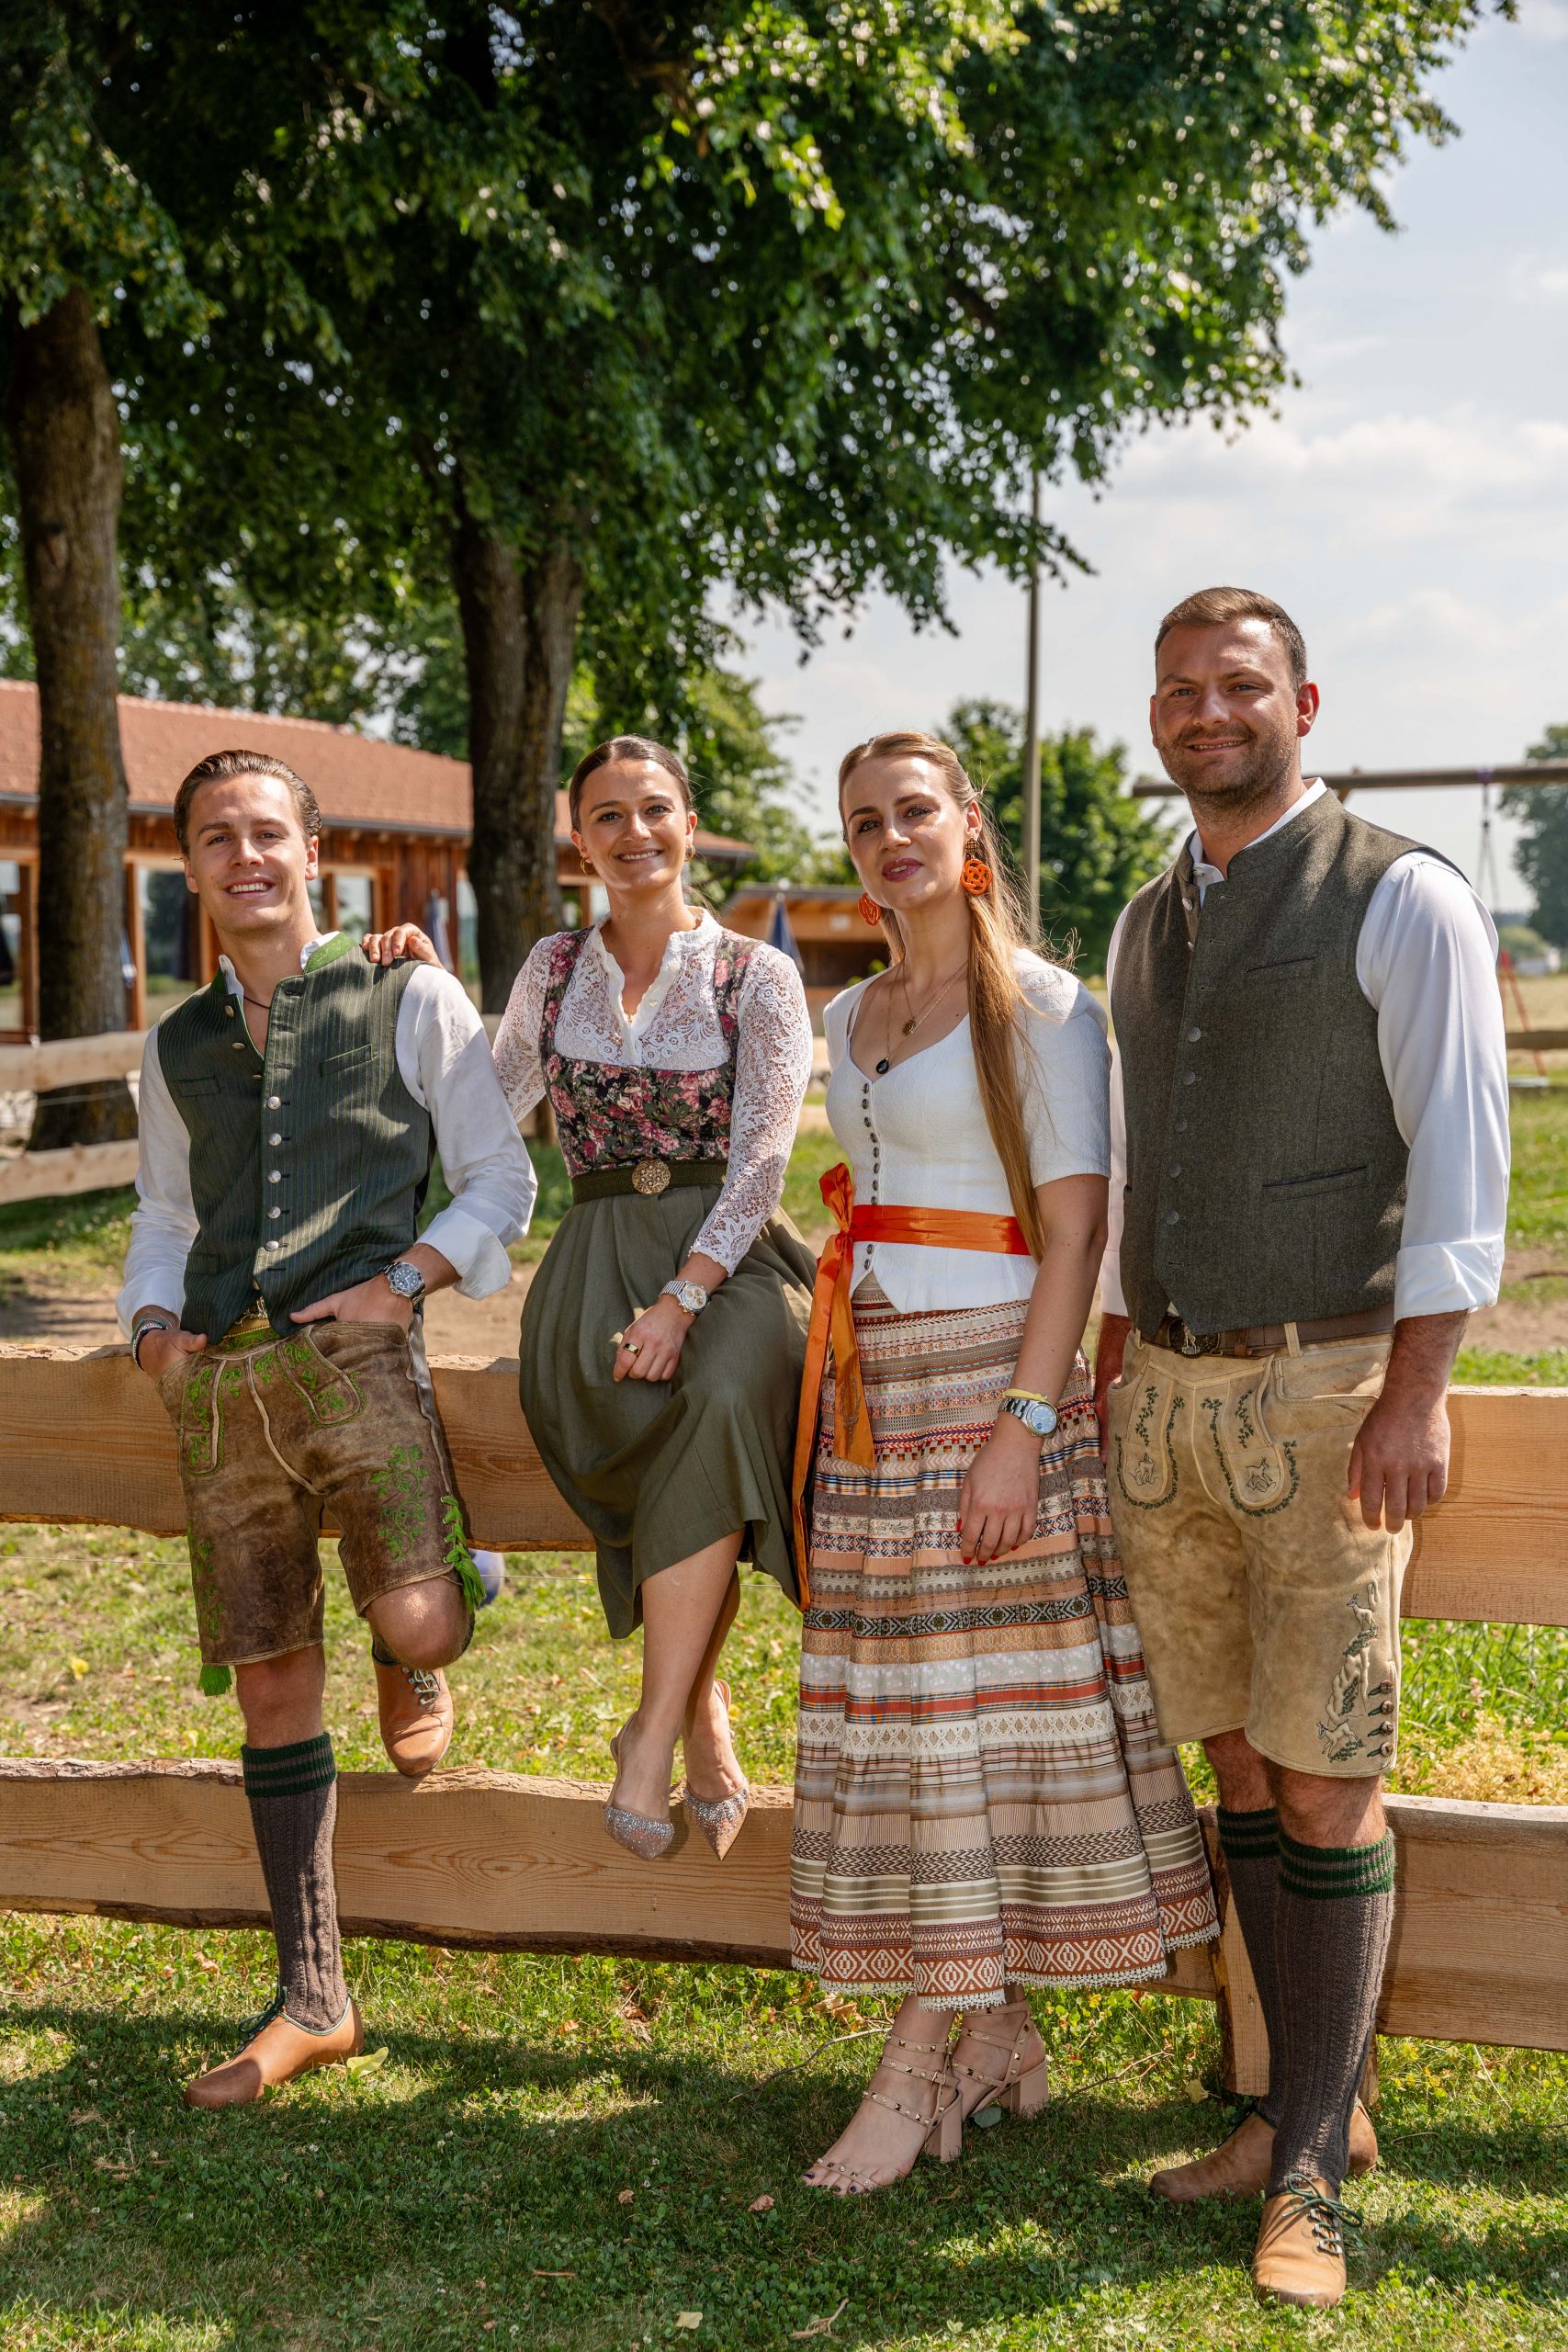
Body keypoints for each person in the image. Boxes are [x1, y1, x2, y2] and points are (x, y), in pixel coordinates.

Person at [1094, 587, 1510, 2309]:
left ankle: (1314, 2177)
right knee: (1242, 1768)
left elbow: (1460, 1151)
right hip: (1168, 1395)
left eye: (1238, 685)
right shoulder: (1144, 919)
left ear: (1302, 704)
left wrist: (1415, 1391)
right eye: (1178, 690)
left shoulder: (1399, 893)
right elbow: (1132, 1153)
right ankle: (1287, 2115)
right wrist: (1113, 1357)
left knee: (1328, 1770)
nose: (1206, 712)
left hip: (1327, 1389)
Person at [789, 729, 1218, 2197]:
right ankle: (996, 2033)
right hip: (873, 1392)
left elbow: (1076, 1230)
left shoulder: (1038, 1004)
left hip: (991, 1389)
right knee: (922, 1731)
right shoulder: (845, 1013)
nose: (889, 839)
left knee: (971, 1727)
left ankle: (915, 2066)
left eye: (914, 810)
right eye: (863, 821)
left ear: (967, 825)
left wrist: (1023, 1433)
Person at [120, 749, 534, 2108]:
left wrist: (403, 1280)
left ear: (313, 853)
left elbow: (498, 1178)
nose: (244, 856)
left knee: (421, 1621)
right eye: (216, 837)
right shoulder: (173, 1044)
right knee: (269, 1687)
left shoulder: (410, 990)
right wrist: (151, 1327)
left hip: (360, 1355)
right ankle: (314, 1999)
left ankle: (425, 1614)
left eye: (267, 833)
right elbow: (165, 1214)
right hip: (225, 1382)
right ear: (190, 866)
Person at [369, 734, 816, 1860]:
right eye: (607, 815)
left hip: (729, 1258)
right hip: (594, 1256)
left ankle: (650, 1729)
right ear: (580, 841)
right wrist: (423, 988)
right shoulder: (555, 965)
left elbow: (764, 1164)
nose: (634, 832)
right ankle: (701, 1706)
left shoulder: (755, 974)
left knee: (723, 1396)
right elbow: (479, 1102)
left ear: (690, 824)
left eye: (655, 808)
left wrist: (681, 1299)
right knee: (655, 1426)